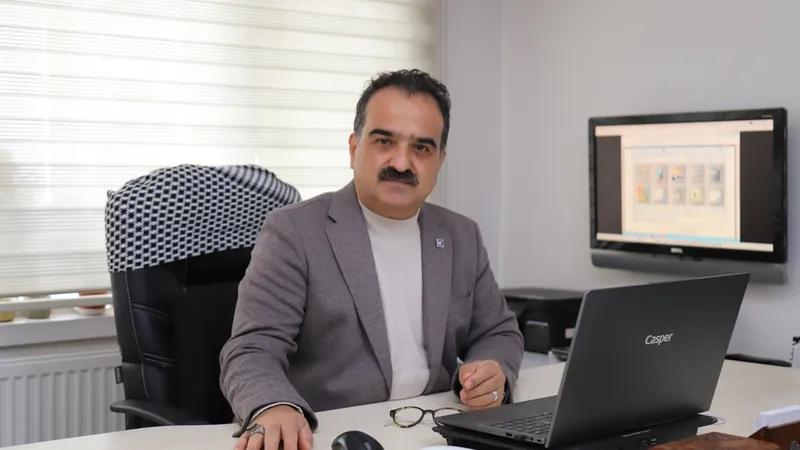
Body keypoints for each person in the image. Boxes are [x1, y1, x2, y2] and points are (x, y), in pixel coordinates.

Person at [219, 68, 524, 450]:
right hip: (334, 437)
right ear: (354, 148)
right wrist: (273, 405)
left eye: (421, 148)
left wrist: (494, 371)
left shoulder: (461, 235)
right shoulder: (294, 231)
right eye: (384, 141)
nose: (402, 163)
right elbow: (252, 348)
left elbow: (498, 332)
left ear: (440, 160)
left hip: (435, 432)